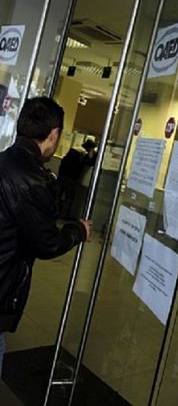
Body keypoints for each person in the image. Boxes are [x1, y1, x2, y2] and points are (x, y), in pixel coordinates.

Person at [0, 97, 92, 376]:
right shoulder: (32, 179)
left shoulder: (4, 159)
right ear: (54, 134)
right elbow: (48, 243)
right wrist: (77, 230)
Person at [58, 138, 97, 218]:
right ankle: (64, 214)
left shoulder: (73, 150)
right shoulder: (83, 153)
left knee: (58, 194)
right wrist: (95, 155)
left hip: (62, 175)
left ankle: (54, 211)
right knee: (69, 197)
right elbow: (89, 163)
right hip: (71, 178)